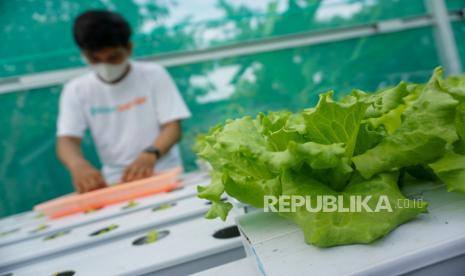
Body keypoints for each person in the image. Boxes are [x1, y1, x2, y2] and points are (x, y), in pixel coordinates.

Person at [56, 10, 191, 193]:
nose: (105, 65)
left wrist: (150, 155)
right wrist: (77, 165)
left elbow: (173, 127)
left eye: (113, 58)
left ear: (128, 48)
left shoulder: (153, 75)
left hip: (164, 173)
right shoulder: (76, 90)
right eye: (95, 59)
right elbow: (67, 140)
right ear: (84, 54)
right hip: (116, 182)